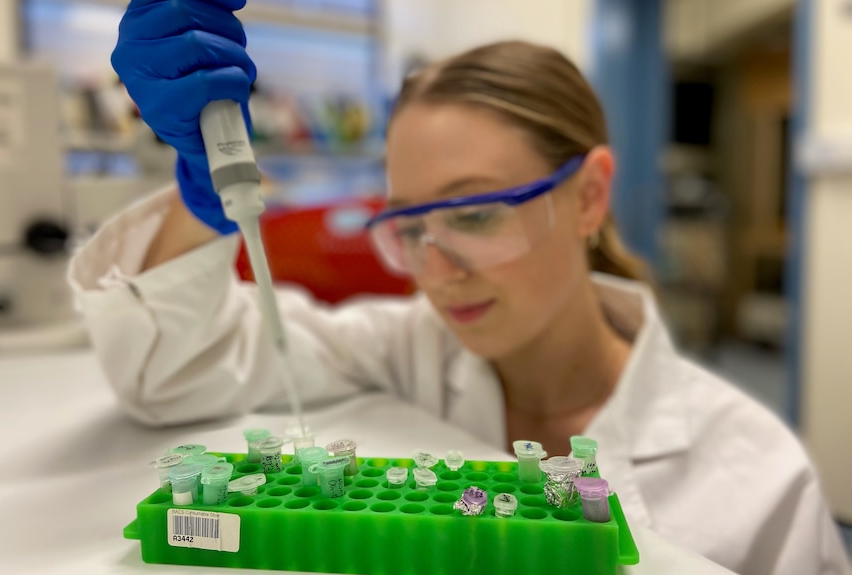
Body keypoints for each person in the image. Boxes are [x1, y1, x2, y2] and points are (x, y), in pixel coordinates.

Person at [69, 1, 850, 574]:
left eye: (474, 213)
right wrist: (203, 196)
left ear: (588, 195)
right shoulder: (401, 349)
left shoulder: (757, 475)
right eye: (409, 224)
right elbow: (171, 372)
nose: (437, 270)